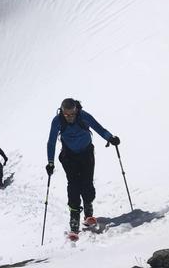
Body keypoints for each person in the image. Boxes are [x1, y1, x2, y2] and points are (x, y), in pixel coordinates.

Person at [46, 98, 120, 235]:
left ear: (76, 110)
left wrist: (110, 138)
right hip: (69, 156)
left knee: (87, 183)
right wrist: (50, 162)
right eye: (66, 115)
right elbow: (51, 142)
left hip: (86, 154)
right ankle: (74, 218)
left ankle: (88, 213)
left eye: (72, 114)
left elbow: (99, 128)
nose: (69, 117)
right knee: (73, 185)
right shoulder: (57, 121)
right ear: (62, 112)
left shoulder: (83, 116)